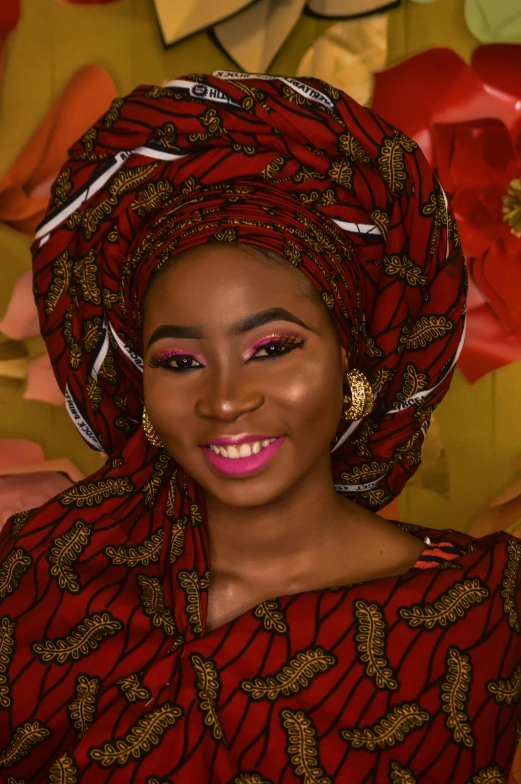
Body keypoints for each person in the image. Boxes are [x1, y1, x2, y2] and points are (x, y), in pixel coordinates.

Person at [0, 72, 519, 783]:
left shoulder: (490, 617)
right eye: (180, 360)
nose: (224, 400)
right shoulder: (41, 579)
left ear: (351, 358)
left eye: (272, 348)